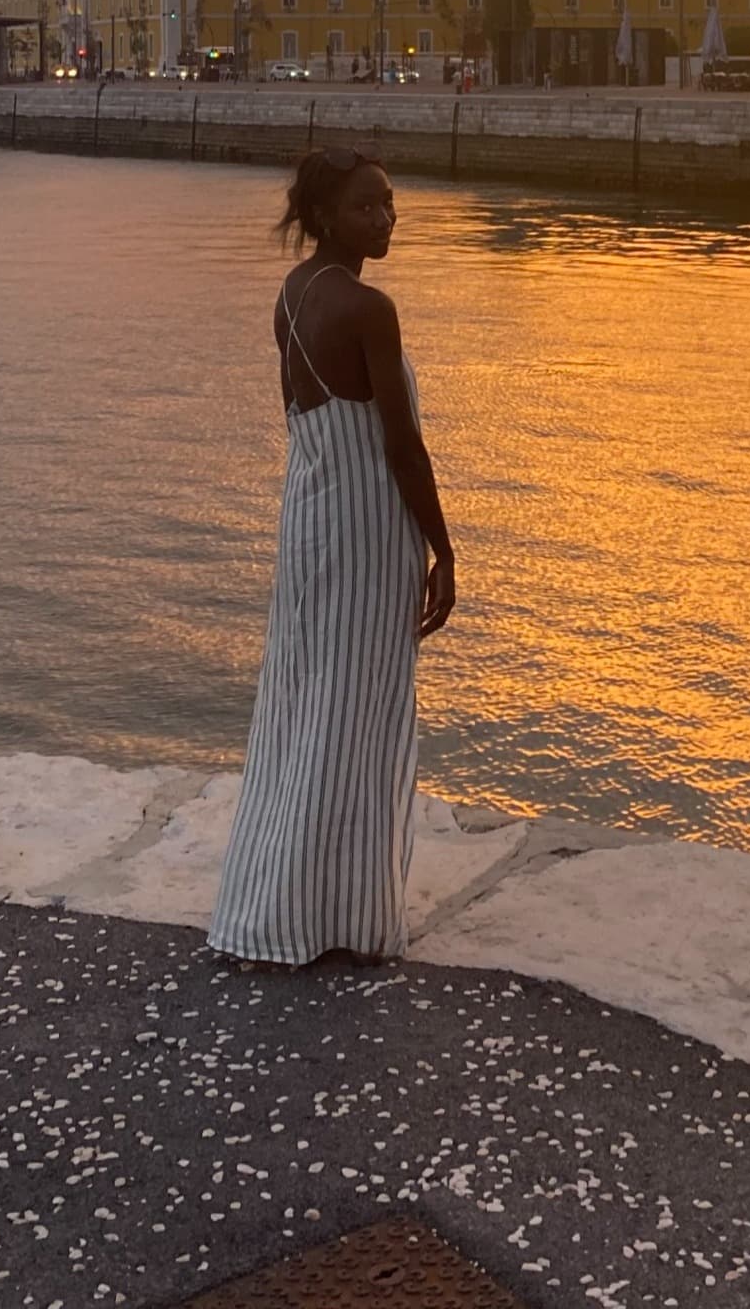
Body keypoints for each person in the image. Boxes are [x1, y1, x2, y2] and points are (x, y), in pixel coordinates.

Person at [208, 145, 456, 969]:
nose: (384, 219)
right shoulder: (368, 308)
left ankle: (277, 903)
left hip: (309, 520)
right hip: (367, 526)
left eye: (389, 203)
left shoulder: (292, 295)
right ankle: (345, 915)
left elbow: (304, 420)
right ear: (324, 217)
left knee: (302, 706)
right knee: (363, 712)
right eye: (365, 206)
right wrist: (443, 549)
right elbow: (402, 447)